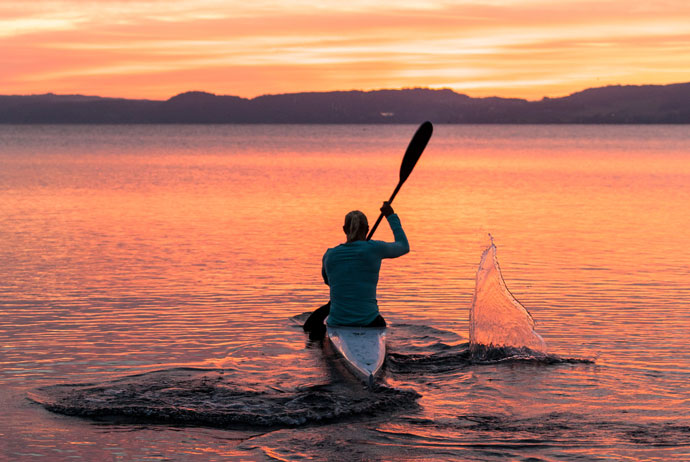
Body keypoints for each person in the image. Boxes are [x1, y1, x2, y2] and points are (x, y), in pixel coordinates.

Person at [303, 201, 409, 335]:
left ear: (344, 229)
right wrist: (391, 216)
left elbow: (328, 282)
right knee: (380, 322)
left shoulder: (329, 254)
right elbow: (404, 246)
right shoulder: (375, 248)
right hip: (371, 322)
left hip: (337, 321)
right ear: (367, 229)